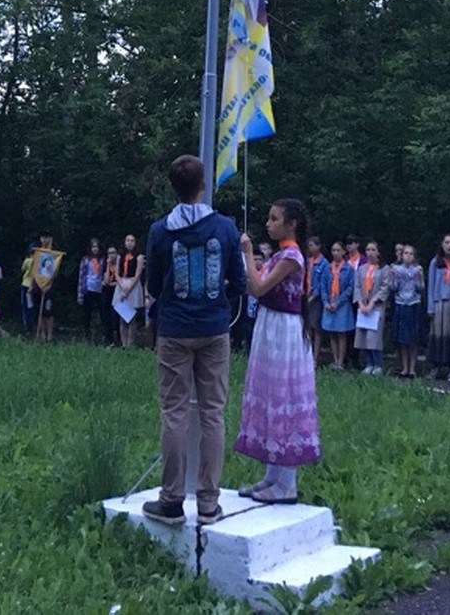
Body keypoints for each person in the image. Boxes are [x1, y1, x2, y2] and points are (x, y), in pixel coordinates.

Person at [140, 154, 244, 527]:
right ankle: (208, 503)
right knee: (213, 413)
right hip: (214, 327)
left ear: (173, 188)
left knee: (174, 412)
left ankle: (171, 499)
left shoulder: (159, 231)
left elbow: (154, 284)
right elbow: (239, 281)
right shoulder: (226, 227)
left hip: (174, 329)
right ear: (203, 185)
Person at [234, 199, 322, 505]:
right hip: (270, 325)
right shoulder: (281, 254)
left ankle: (287, 483)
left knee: (283, 398)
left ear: (291, 224)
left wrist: (248, 254)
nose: (268, 224)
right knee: (270, 396)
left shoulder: (291, 256)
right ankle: (273, 475)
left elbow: (259, 288)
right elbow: (255, 285)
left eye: (274, 219)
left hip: (283, 330)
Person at [426, 234, 450, 381]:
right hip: (439, 303)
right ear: (442, 244)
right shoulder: (435, 262)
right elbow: (430, 285)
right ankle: (437, 367)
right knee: (438, 334)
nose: (449, 246)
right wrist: (430, 307)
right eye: (446, 243)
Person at [353, 241, 391, 375]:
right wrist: (360, 303)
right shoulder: (361, 268)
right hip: (363, 306)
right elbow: (357, 287)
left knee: (374, 336)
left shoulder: (384, 269)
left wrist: (372, 303)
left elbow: (385, 287)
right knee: (364, 335)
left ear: (378, 252)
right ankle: (368, 363)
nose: (370, 252)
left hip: (376, 307)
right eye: (368, 250)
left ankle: (378, 364)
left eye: (373, 250)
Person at [390, 244, 424, 379]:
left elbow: (421, 288)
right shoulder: (396, 269)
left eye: (411, 254)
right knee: (402, 339)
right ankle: (404, 367)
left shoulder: (418, 269)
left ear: (414, 256)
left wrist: (419, 278)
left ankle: (412, 368)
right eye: (406, 253)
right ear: (402, 255)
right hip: (401, 304)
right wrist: (394, 277)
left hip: (414, 304)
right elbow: (393, 288)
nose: (408, 256)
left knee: (413, 338)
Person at [319, 240, 354, 370]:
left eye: (338, 250)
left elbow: (350, 288)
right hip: (329, 303)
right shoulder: (327, 268)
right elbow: (323, 286)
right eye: (333, 250)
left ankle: (341, 361)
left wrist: (338, 302)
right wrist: (325, 302)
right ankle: (334, 359)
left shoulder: (349, 269)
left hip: (342, 305)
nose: (335, 253)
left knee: (341, 333)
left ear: (343, 252)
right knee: (332, 333)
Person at [113, 234, 144, 348]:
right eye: (128, 240)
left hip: (133, 285)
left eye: (132, 241)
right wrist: (122, 286)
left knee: (131, 317)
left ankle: (131, 344)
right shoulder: (120, 256)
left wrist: (128, 289)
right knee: (122, 317)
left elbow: (138, 274)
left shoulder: (139, 257)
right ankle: (124, 344)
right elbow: (116, 273)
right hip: (122, 283)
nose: (130, 243)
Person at [302, 236, 325, 366]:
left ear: (318, 246)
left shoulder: (324, 263)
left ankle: (315, 357)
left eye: (312, 245)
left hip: (316, 299)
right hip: (306, 295)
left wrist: (313, 296)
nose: (309, 248)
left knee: (316, 327)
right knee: (307, 327)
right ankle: (307, 354)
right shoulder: (307, 261)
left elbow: (322, 284)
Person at [77, 239, 105, 341]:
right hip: (88, 289)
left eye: (97, 247)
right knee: (87, 313)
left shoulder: (103, 260)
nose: (95, 249)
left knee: (103, 313)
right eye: (93, 247)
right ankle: (87, 335)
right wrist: (80, 295)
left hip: (100, 289)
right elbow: (81, 277)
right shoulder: (85, 260)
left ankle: (102, 334)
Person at [33, 241, 56, 343]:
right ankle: (42, 333)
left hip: (49, 289)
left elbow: (54, 274)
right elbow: (35, 273)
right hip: (38, 287)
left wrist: (49, 286)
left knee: (49, 311)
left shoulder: (53, 257)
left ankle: (50, 335)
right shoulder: (38, 256)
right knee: (40, 311)